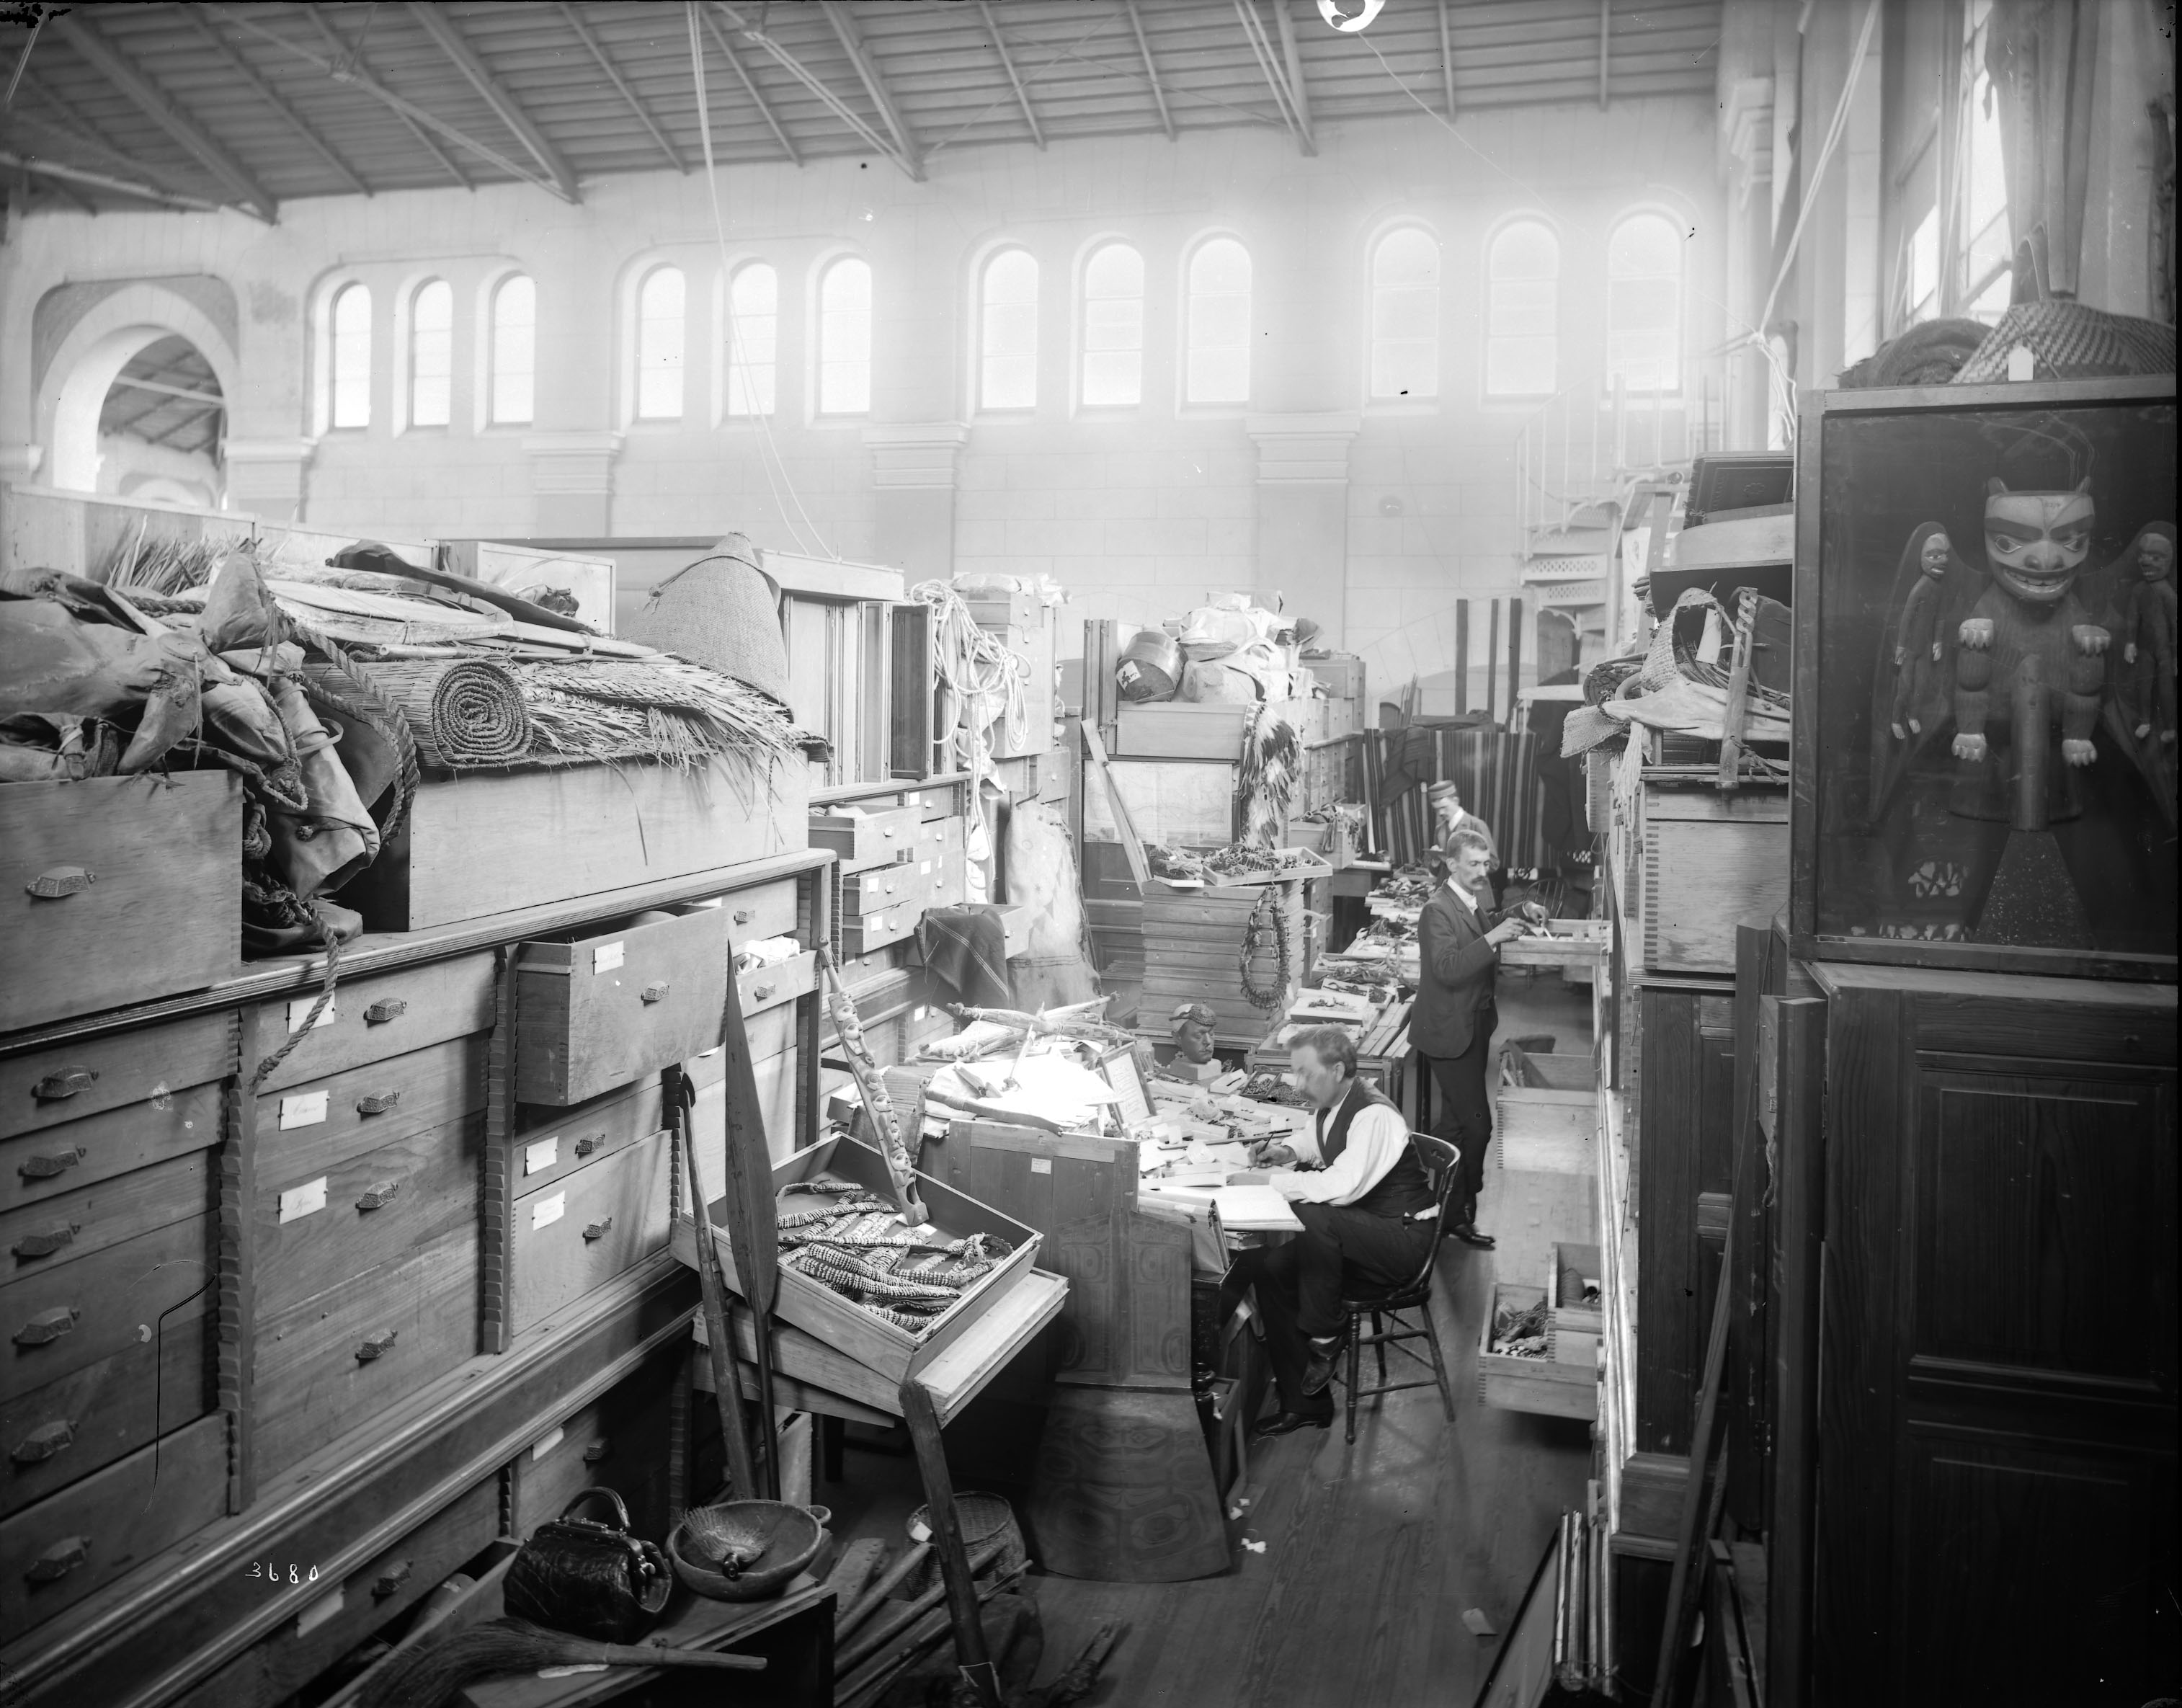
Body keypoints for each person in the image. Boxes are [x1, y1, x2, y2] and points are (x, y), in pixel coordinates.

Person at [1226, 1026, 1443, 1436]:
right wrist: (1285, 1152)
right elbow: (1316, 1140)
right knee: (1271, 1268)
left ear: (1338, 1069)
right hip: (1363, 1235)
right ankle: (1305, 1405)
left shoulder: (1374, 1114)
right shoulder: (1332, 1103)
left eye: (1306, 1074)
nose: (1298, 1084)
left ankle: (1326, 1335)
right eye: (1296, 1073)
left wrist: (1271, 1182)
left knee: (1313, 1212)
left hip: (1402, 1243)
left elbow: (1340, 1189)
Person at [1410, 827, 1544, 1250]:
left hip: (1473, 1026)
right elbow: (1448, 968)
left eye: (1486, 863)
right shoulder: (1436, 909)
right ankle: (1457, 1208)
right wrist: (1493, 938)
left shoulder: (1468, 900)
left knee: (1455, 1125)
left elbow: (1482, 926)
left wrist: (1521, 911)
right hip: (1448, 1033)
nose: (1482, 871)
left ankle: (1442, 1212)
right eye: (1473, 864)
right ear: (1452, 865)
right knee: (1478, 1125)